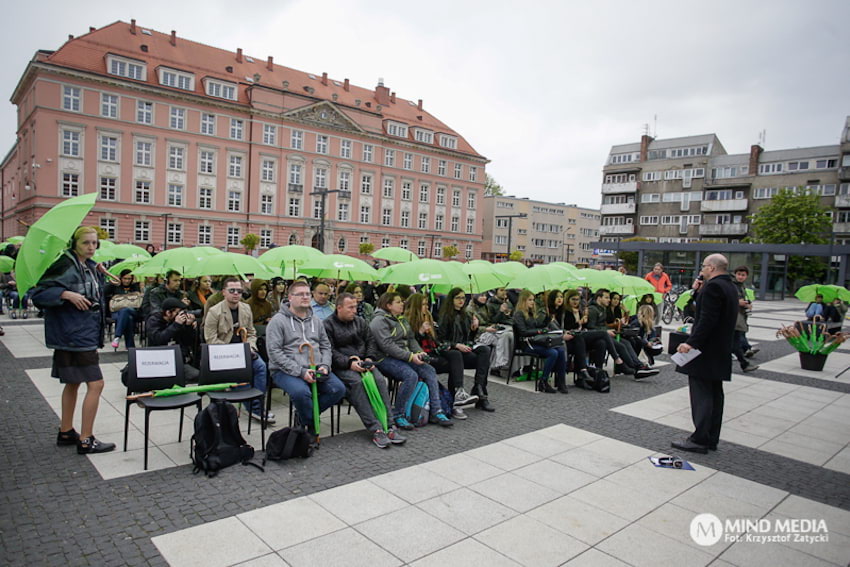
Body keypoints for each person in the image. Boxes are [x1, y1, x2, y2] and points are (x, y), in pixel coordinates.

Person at [31, 226, 115, 454]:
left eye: (94, 243)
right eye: (86, 243)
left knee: (73, 382)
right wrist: (65, 294)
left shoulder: (86, 266)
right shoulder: (65, 265)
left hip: (76, 334)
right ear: (74, 243)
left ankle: (66, 431)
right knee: (96, 384)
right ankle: (86, 439)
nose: (91, 247)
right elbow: (37, 293)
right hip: (75, 335)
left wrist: (99, 272)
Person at [673, 254, 739, 454]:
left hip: (706, 350)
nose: (701, 270)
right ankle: (710, 438)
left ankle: (699, 438)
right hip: (721, 349)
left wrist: (691, 343)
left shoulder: (713, 287)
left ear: (711, 267)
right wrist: (696, 292)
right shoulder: (730, 287)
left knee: (701, 394)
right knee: (715, 394)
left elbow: (706, 320)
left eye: (703, 266)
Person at [266, 280, 346, 442]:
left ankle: (303, 417)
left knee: (338, 389)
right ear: (290, 297)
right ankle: (310, 426)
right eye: (300, 294)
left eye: (307, 294)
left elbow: (325, 345)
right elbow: (275, 353)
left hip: (315, 366)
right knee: (302, 393)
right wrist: (301, 372)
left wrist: (324, 365)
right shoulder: (278, 321)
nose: (305, 297)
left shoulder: (316, 320)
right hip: (285, 370)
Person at [323, 292, 407, 448]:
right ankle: (376, 429)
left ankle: (389, 425)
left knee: (380, 381)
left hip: (363, 362)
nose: (354, 310)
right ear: (339, 308)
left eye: (355, 307)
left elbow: (371, 341)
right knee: (357, 384)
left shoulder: (360, 322)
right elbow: (329, 351)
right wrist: (349, 363)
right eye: (350, 307)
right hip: (342, 366)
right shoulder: (327, 325)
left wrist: (369, 358)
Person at [370, 291, 453, 429]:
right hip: (384, 358)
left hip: (403, 356)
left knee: (429, 370)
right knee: (410, 375)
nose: (403, 304)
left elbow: (411, 339)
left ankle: (436, 410)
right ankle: (398, 414)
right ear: (388, 305)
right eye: (398, 302)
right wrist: (410, 357)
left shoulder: (401, 319)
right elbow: (387, 345)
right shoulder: (379, 321)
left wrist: (419, 352)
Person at [204, 277, 273, 424]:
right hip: (223, 353)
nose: (236, 294)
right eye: (232, 290)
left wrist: (250, 347)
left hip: (244, 350)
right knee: (242, 374)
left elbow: (251, 332)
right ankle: (255, 409)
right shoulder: (214, 311)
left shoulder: (245, 308)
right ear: (224, 292)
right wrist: (233, 351)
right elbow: (210, 339)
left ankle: (257, 406)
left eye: (239, 291)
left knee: (261, 367)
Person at [405, 293, 480, 419]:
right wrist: (421, 332)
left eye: (426, 304)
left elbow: (437, 341)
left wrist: (434, 330)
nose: (426, 307)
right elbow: (411, 343)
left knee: (456, 357)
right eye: (423, 304)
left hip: (434, 351)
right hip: (421, 355)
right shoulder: (408, 320)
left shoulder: (428, 316)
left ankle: (457, 395)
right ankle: (455, 401)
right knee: (453, 363)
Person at [437, 288, 495, 412]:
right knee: (456, 354)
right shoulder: (445, 316)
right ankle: (458, 394)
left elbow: (469, 339)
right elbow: (440, 340)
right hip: (450, 350)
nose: (461, 300)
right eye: (458, 298)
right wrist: (456, 345)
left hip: (464, 349)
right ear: (451, 299)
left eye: (463, 298)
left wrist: (474, 328)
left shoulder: (466, 315)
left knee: (484, 351)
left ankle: (479, 389)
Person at [586, 289, 658, 379]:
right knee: (621, 345)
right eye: (607, 297)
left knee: (629, 341)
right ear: (599, 298)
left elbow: (603, 325)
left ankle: (637, 366)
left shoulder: (603, 309)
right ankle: (635, 367)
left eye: (609, 298)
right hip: (599, 336)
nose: (609, 300)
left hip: (607, 333)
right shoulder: (593, 309)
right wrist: (607, 330)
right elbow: (591, 327)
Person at [513, 289, 567, 393]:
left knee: (560, 350)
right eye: (530, 300)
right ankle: (543, 381)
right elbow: (523, 332)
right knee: (553, 353)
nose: (532, 302)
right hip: (526, 344)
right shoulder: (519, 314)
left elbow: (539, 325)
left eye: (533, 300)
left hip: (535, 341)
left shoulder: (531, 313)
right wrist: (538, 331)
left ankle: (561, 381)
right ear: (523, 301)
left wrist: (547, 319)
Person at [146, 297, 200, 382]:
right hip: (159, 361)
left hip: (178, 361)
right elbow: (159, 339)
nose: (180, 315)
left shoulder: (178, 321)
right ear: (168, 312)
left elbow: (188, 342)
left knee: (197, 375)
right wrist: (176, 325)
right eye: (177, 313)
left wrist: (188, 326)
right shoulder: (154, 321)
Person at [467, 292, 513, 372]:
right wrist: (485, 329)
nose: (484, 298)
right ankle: (498, 364)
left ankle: (498, 364)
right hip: (478, 335)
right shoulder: (469, 310)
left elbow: (491, 320)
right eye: (481, 296)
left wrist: (502, 313)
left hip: (489, 331)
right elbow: (470, 329)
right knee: (501, 339)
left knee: (505, 336)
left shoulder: (486, 307)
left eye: (485, 296)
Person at [106, 269, 141, 349]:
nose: (127, 281)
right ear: (121, 278)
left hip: (132, 310)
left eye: (129, 279)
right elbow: (104, 291)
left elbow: (139, 298)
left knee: (125, 310)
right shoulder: (115, 287)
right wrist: (113, 284)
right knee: (128, 318)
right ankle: (130, 347)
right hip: (117, 312)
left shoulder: (135, 286)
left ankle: (117, 336)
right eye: (125, 278)